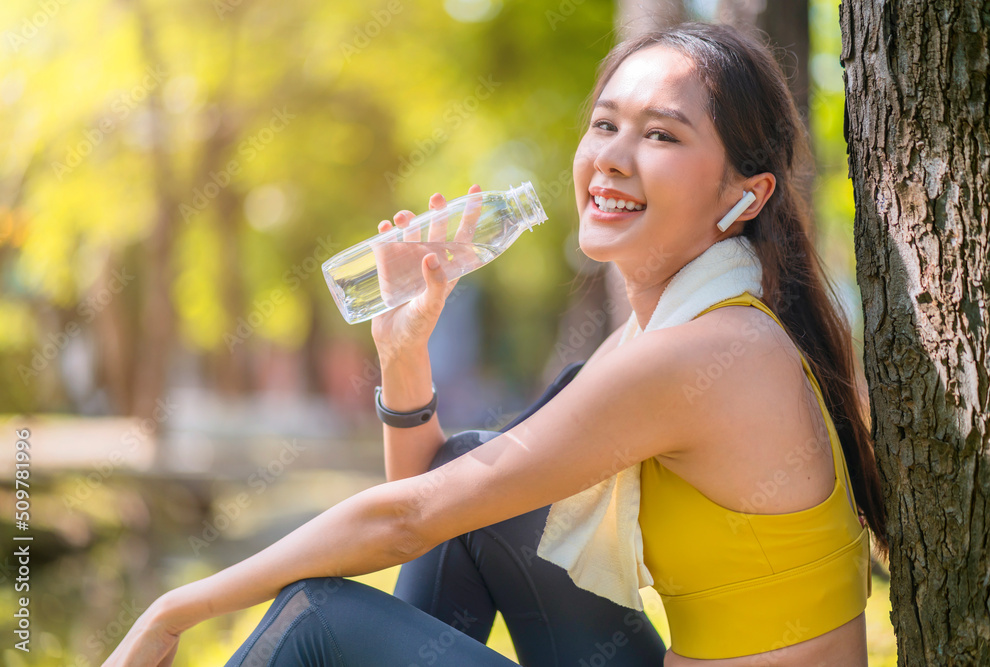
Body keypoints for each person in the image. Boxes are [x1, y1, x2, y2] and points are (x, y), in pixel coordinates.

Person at [104, 21, 889, 667]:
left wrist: (177, 607)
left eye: (662, 135)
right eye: (606, 123)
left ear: (745, 194)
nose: (612, 155)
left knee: (314, 617)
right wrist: (404, 353)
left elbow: (406, 519)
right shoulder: (678, 325)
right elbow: (444, 506)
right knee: (470, 472)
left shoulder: (705, 352)